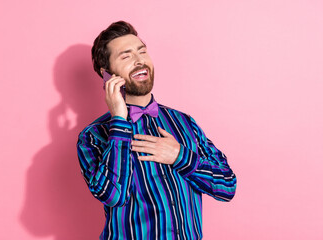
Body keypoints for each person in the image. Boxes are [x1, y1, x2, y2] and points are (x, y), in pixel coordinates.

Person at [77, 21, 237, 240]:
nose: (139, 60)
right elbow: (112, 195)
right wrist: (119, 121)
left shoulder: (185, 123)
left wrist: (180, 157)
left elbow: (227, 186)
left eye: (142, 51)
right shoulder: (93, 136)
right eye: (126, 56)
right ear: (107, 75)